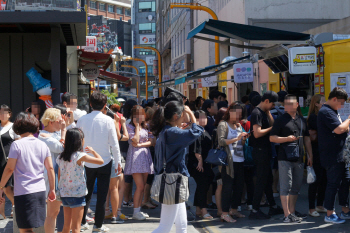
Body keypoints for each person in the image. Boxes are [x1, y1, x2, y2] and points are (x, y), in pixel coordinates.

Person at [150, 102, 203, 233]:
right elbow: (197, 132)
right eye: (184, 114)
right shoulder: (173, 132)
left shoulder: (167, 130)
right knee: (165, 227)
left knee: (182, 225)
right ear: (175, 116)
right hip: (173, 180)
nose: (185, 117)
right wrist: (192, 114)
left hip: (172, 179)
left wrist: (182, 128)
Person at [0, 112, 56, 233]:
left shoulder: (16, 145)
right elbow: (50, 168)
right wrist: (52, 189)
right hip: (40, 191)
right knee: (35, 228)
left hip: (24, 192)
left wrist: (0, 187)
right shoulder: (43, 145)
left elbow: (9, 169)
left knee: (25, 230)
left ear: (17, 127)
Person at [77, 91, 122, 232]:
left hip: (86, 161)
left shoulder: (82, 120)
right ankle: (98, 225)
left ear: (90, 104)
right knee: (102, 194)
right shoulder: (109, 120)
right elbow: (114, 144)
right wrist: (119, 162)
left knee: (86, 193)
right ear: (105, 105)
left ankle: (83, 221)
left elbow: (78, 141)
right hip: (105, 160)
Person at [270, 95, 313, 223]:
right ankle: (286, 215)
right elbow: (272, 138)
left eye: (290, 104)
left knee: (296, 186)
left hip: (299, 157)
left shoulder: (301, 120)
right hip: (284, 157)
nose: (287, 106)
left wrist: (310, 155)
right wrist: (287, 139)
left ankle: (292, 212)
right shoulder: (280, 120)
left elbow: (306, 138)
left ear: (296, 105)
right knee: (285, 186)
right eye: (286, 104)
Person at [57, 128, 104, 233]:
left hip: (65, 193)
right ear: (80, 140)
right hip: (77, 194)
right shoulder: (79, 156)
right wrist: (93, 151)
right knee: (76, 227)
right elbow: (101, 161)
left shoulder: (61, 156)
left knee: (66, 226)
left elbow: (60, 175)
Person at [249, 91, 283, 220]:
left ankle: (273, 206)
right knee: (261, 180)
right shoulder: (256, 113)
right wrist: (271, 129)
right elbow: (257, 133)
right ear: (267, 101)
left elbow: (272, 123)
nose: (274, 107)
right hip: (260, 151)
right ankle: (255, 209)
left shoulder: (264, 112)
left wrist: (268, 113)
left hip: (266, 150)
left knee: (268, 179)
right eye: (272, 104)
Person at [318, 87, 350, 224]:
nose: (341, 106)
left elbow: (343, 128)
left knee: (345, 181)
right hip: (332, 156)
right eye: (341, 102)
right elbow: (340, 129)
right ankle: (330, 214)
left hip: (341, 154)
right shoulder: (325, 112)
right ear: (334, 99)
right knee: (333, 184)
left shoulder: (332, 111)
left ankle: (345, 210)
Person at [39, 107, 71, 233]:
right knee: (52, 213)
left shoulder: (54, 134)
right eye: (59, 121)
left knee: (56, 211)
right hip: (53, 178)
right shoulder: (43, 136)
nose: (62, 123)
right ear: (50, 122)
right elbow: (61, 148)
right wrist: (63, 130)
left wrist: (64, 129)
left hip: (61, 176)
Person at [217, 103, 249, 223]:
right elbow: (221, 141)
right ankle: (224, 213)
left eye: (241, 114)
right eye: (237, 113)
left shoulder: (238, 125)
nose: (239, 116)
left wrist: (244, 138)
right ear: (230, 111)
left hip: (240, 160)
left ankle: (234, 209)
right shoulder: (223, 124)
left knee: (239, 186)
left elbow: (241, 144)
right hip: (228, 162)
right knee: (227, 187)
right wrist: (237, 138)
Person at [124, 105, 154, 220]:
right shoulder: (129, 126)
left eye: (141, 114)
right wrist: (137, 127)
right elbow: (134, 140)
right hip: (135, 158)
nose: (139, 117)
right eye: (136, 115)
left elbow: (151, 142)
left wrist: (141, 145)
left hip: (145, 156)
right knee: (140, 186)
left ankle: (138, 210)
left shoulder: (147, 126)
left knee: (143, 185)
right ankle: (135, 212)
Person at [105, 104, 130, 223]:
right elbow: (124, 137)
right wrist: (121, 123)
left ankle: (107, 210)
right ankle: (116, 212)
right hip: (115, 158)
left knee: (107, 187)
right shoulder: (112, 125)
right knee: (118, 186)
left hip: (103, 158)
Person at [189, 110, 214, 219]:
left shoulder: (204, 129)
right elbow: (196, 148)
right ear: (196, 119)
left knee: (203, 185)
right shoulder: (196, 131)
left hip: (205, 162)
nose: (205, 119)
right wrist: (200, 161)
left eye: (205, 117)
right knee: (202, 185)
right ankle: (203, 210)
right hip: (197, 163)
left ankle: (198, 209)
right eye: (202, 117)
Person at [307, 94, 327, 217]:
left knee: (324, 179)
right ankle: (311, 208)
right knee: (315, 180)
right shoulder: (314, 117)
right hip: (316, 151)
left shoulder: (322, 115)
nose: (325, 103)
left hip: (323, 151)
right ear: (316, 103)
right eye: (322, 102)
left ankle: (320, 205)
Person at [0, 105, 19, 219]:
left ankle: (16, 206)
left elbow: (18, 143)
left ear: (10, 114)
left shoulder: (13, 127)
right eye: (0, 112)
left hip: (8, 161)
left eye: (4, 112)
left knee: (7, 188)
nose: (2, 114)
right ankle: (1, 213)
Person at [212, 107, 227, 217]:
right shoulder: (219, 128)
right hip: (221, 161)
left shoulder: (216, 127)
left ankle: (221, 209)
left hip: (220, 160)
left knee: (221, 185)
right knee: (220, 185)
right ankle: (220, 210)